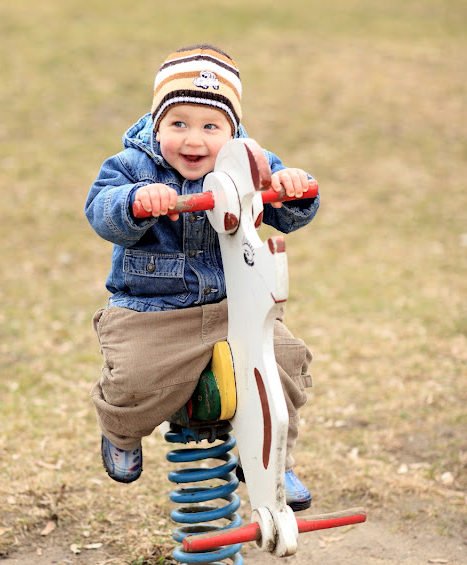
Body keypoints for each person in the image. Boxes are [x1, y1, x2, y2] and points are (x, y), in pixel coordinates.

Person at [85, 44, 320, 511]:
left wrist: (291, 188)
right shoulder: (132, 165)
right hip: (152, 311)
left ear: (231, 129)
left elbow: (292, 212)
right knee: (137, 376)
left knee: (287, 364)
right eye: (179, 124)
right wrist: (134, 201)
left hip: (235, 306)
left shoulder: (249, 162)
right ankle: (122, 431)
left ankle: (275, 459)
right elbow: (101, 212)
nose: (194, 141)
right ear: (157, 123)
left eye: (210, 127)